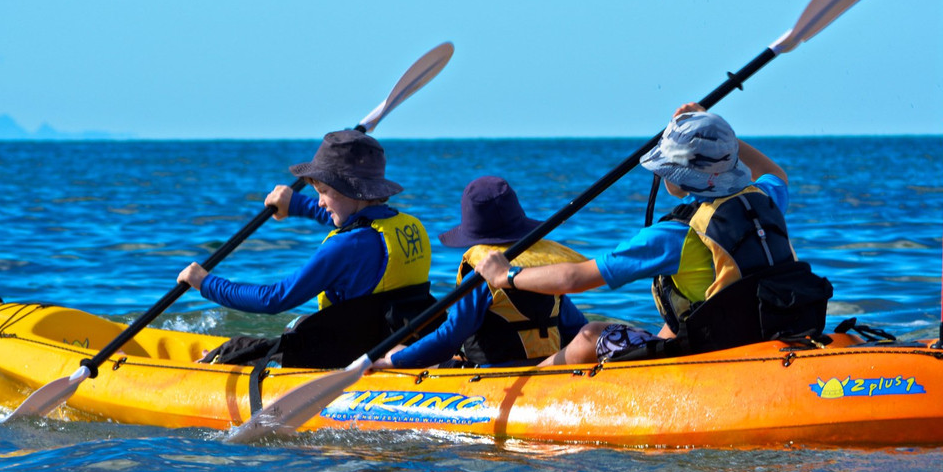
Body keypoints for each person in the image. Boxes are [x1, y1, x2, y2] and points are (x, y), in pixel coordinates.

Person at [475, 103, 831, 365]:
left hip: (720, 349)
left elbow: (575, 277)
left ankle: (530, 384)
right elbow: (775, 172)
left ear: (683, 176)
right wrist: (716, 132)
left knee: (589, 335)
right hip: (765, 329)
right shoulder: (764, 198)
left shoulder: (674, 236)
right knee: (667, 328)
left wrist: (507, 275)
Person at [177, 130, 435, 369]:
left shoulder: (344, 247)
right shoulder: (407, 226)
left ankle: (218, 360)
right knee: (297, 325)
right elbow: (359, 226)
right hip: (394, 335)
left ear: (352, 191)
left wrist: (206, 283)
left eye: (323, 191)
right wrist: (296, 204)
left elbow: (275, 299)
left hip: (349, 349)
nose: (320, 201)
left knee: (236, 348)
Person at [371, 176, 588, 370]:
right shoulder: (542, 272)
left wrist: (395, 360)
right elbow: (576, 327)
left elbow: (449, 339)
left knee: (395, 350)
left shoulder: (481, 276)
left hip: (492, 374)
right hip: (546, 368)